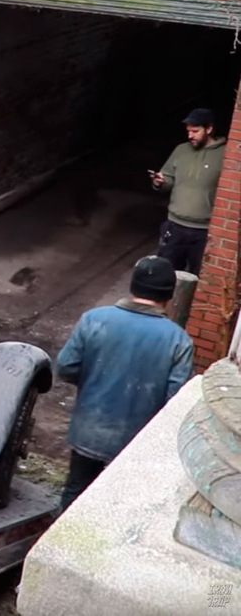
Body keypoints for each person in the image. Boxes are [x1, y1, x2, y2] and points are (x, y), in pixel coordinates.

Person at [55, 255, 194, 510]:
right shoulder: (178, 340)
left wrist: (94, 383)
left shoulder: (94, 319)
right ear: (169, 296)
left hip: (89, 429)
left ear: (133, 287)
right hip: (136, 443)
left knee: (76, 493)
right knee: (118, 504)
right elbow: (175, 400)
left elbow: (66, 367)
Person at [150, 107, 226, 275]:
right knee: (164, 275)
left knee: (198, 277)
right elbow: (168, 179)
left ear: (209, 129)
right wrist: (160, 182)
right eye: (188, 131)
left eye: (195, 131)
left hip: (204, 231)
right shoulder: (181, 150)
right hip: (174, 226)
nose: (190, 135)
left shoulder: (224, 154)